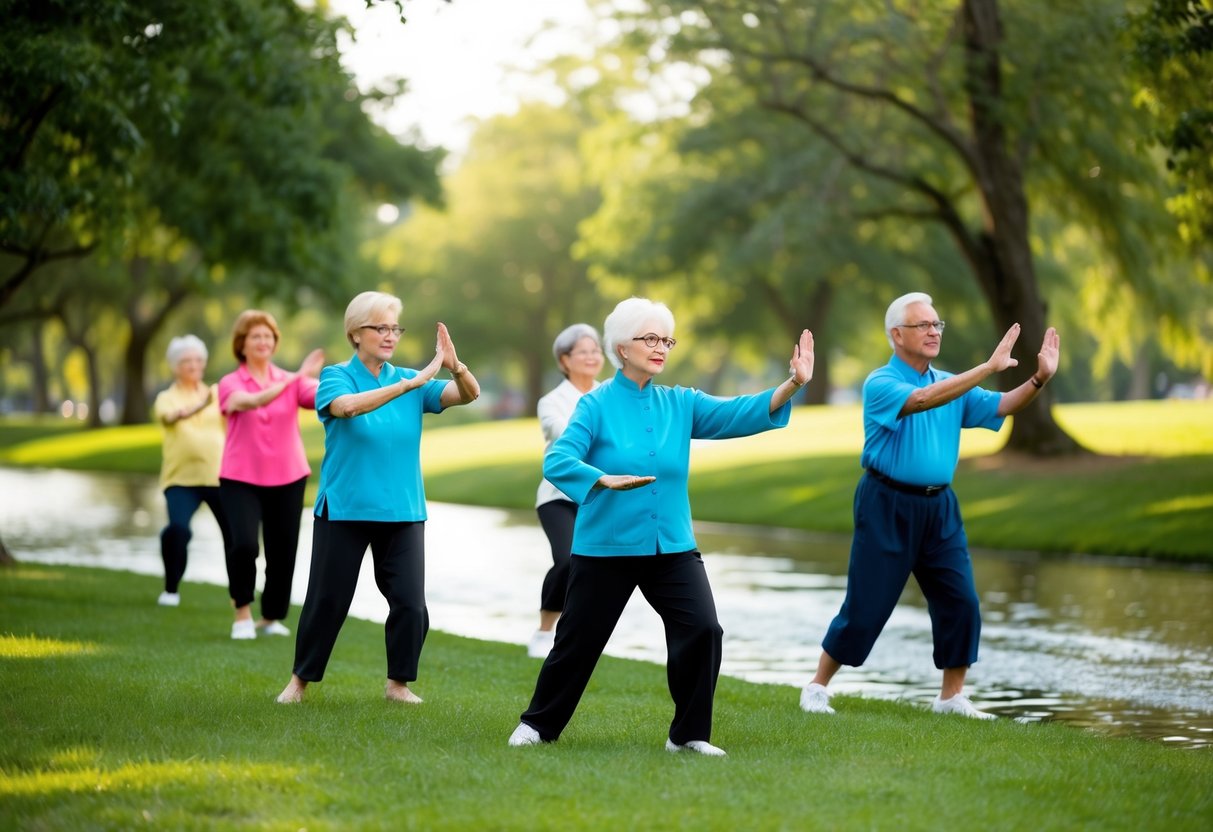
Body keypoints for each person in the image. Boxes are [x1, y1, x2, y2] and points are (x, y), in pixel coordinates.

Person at [508, 297, 814, 756]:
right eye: (650, 338)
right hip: (606, 547)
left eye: (666, 339)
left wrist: (793, 383)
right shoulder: (595, 405)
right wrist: (600, 478)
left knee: (704, 630)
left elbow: (738, 412)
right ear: (622, 347)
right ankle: (537, 725)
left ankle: (688, 735)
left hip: (670, 545)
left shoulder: (680, 402)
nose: (661, 347)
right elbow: (557, 459)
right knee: (577, 643)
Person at [798, 291, 1060, 720]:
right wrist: (986, 369)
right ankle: (817, 686)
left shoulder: (954, 383)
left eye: (938, 324)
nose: (934, 331)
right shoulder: (881, 383)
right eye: (924, 325)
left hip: (940, 508)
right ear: (896, 334)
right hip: (886, 503)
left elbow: (1004, 405)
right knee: (867, 605)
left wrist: (1038, 379)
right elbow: (921, 400)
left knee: (961, 601)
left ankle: (951, 698)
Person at [275, 291, 480, 705]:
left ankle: (398, 685)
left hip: (403, 510)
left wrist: (454, 366)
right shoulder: (337, 376)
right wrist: (410, 384)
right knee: (327, 601)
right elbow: (347, 408)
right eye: (380, 328)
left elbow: (468, 394)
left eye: (394, 328)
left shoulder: (411, 379)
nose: (390, 336)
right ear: (355, 333)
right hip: (345, 508)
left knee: (410, 603)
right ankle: (299, 682)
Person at [218, 310, 324, 640]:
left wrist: (339, 384)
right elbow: (248, 403)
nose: (263, 341)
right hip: (240, 477)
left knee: (283, 551)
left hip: (289, 476)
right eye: (256, 336)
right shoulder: (230, 382)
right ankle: (242, 613)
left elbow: (322, 396)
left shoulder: (291, 381)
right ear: (242, 344)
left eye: (268, 336)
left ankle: (271, 616)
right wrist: (295, 378)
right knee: (244, 545)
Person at [527, 323, 605, 659]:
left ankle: (578, 636)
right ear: (565, 359)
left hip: (601, 496)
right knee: (567, 560)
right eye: (583, 351)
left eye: (596, 351)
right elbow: (561, 433)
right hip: (559, 498)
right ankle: (546, 629)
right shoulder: (552, 401)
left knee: (597, 569)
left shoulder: (611, 393)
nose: (591, 357)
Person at [151, 335, 233, 607]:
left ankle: (239, 597)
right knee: (178, 530)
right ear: (175, 366)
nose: (193, 365)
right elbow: (170, 417)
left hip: (218, 477)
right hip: (181, 480)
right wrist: (200, 405)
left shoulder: (217, 393)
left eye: (198, 360)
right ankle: (171, 588)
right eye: (186, 361)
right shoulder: (167, 398)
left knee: (235, 536)